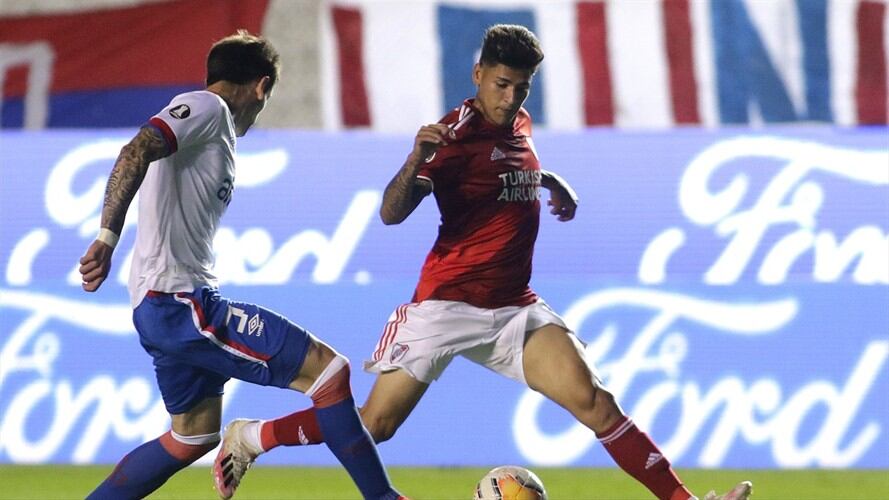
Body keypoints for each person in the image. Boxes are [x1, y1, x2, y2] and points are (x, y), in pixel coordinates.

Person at [214, 25, 753, 500]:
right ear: (477, 74)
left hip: (514, 309)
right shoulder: (453, 139)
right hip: (447, 304)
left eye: (522, 87)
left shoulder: (520, 125)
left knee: (597, 403)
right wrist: (413, 160)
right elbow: (390, 212)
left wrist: (550, 181)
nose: (511, 97)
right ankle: (253, 436)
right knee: (374, 426)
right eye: (502, 85)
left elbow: (506, 172)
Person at [78, 30, 404, 500]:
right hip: (179, 303)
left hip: (162, 306)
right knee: (329, 372)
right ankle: (382, 496)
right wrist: (107, 237)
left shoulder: (212, 132)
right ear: (260, 86)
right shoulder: (208, 109)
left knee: (192, 435)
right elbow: (136, 149)